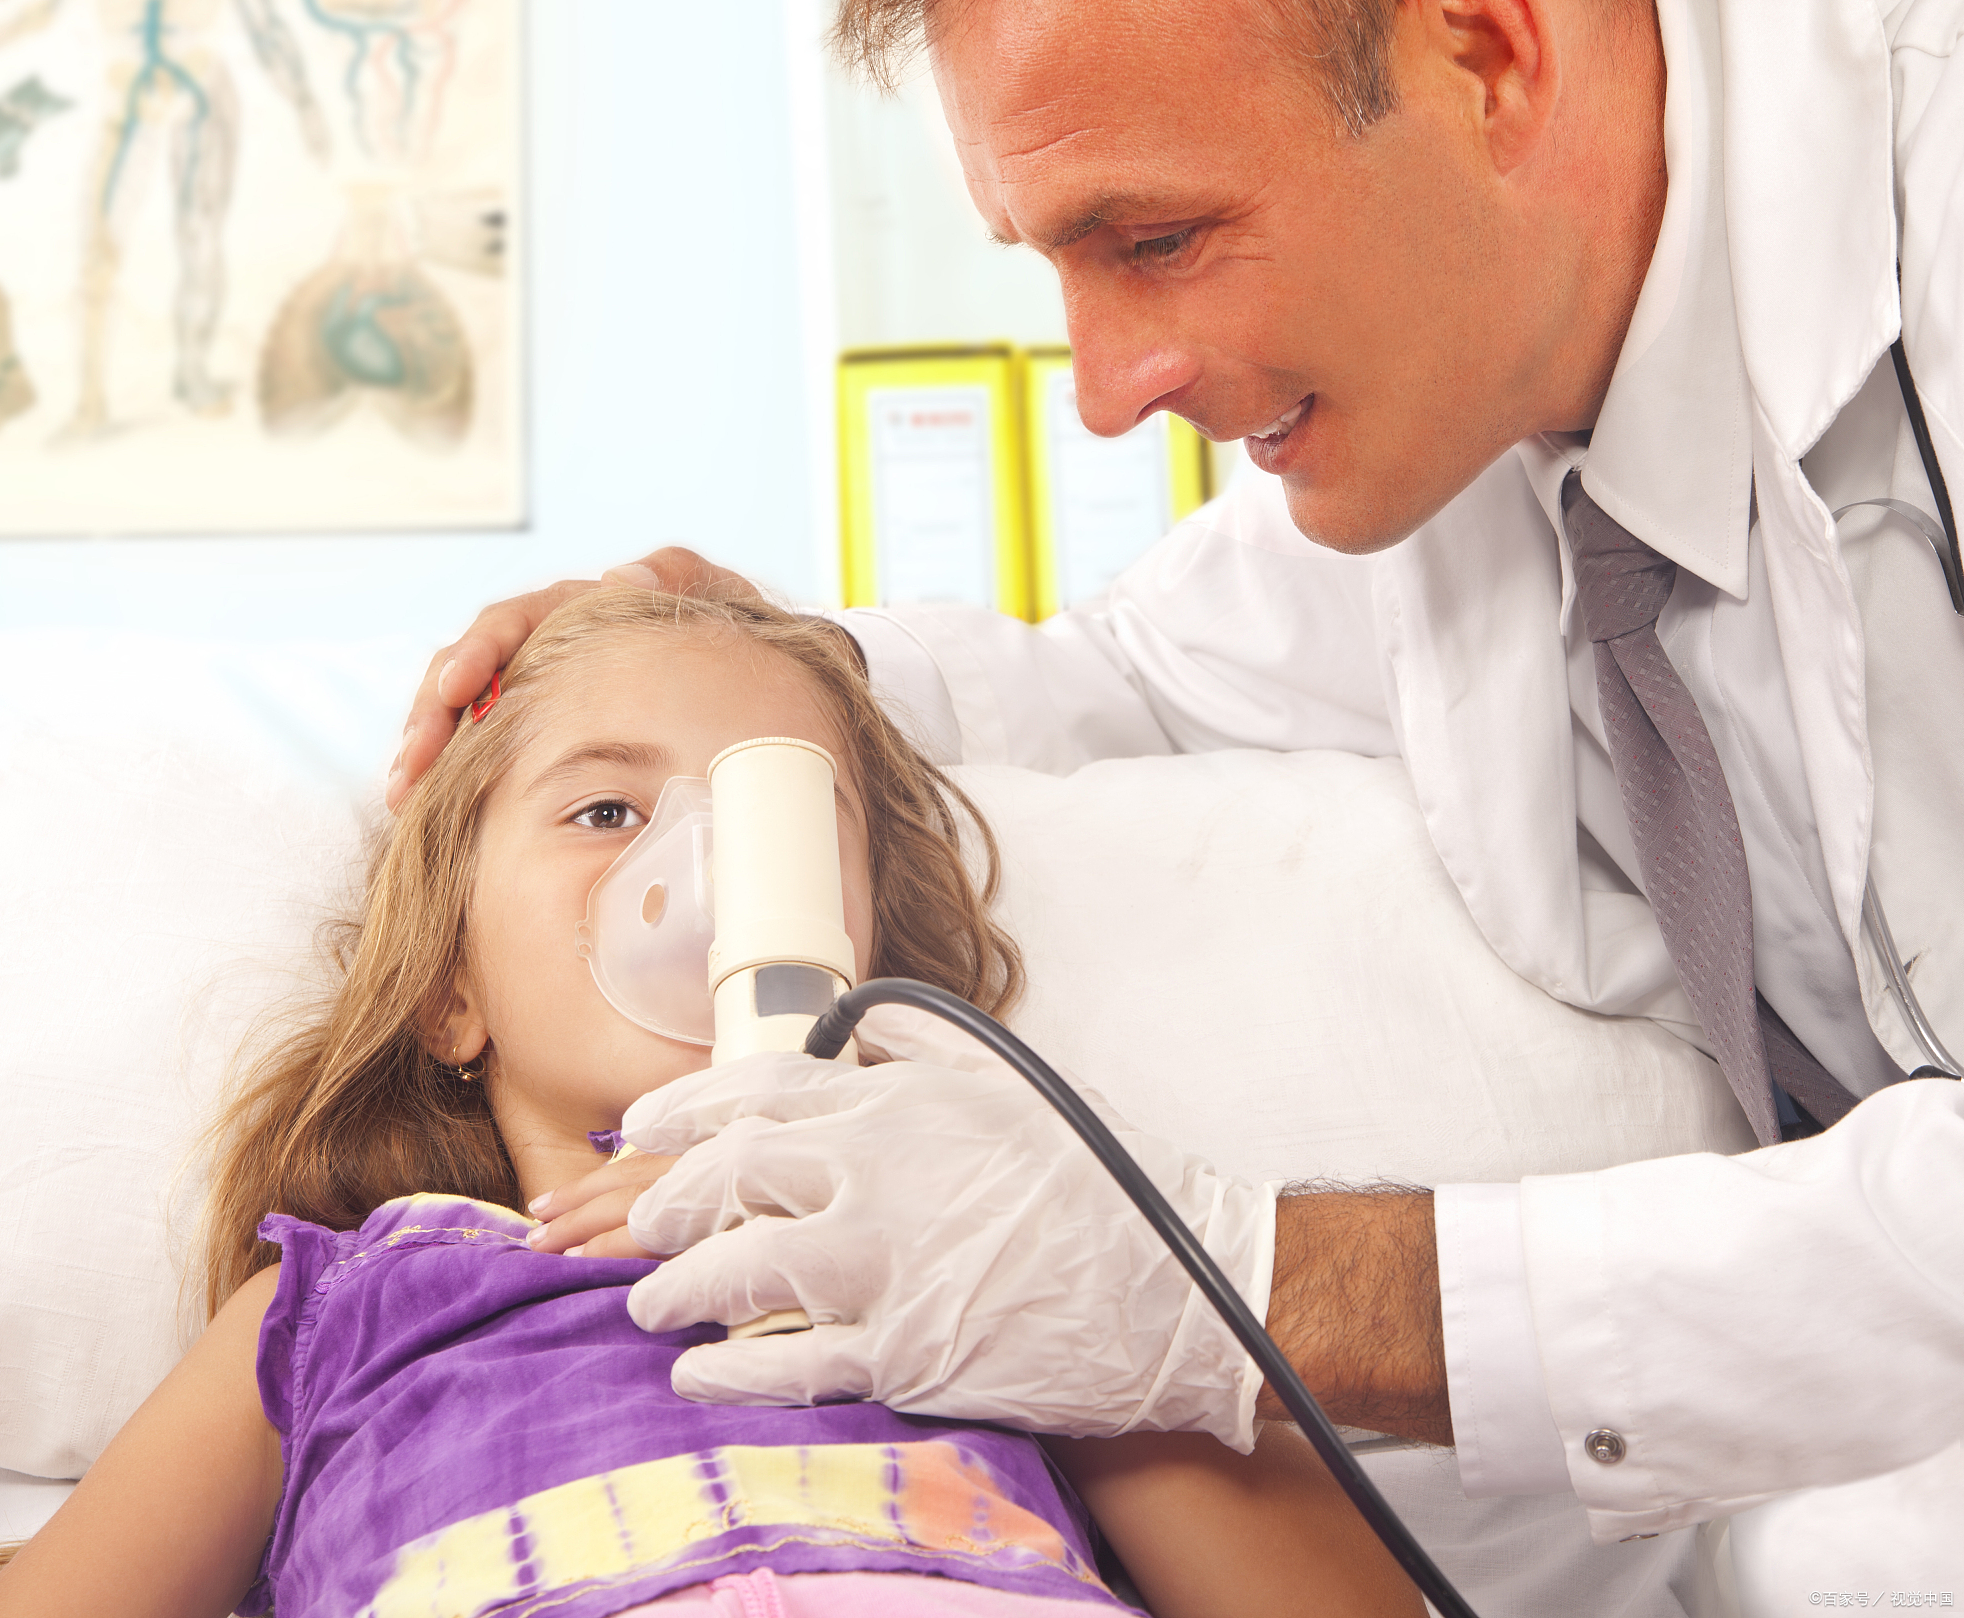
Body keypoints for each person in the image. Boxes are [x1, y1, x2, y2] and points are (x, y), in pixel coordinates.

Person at [386, 0, 1964, 1591]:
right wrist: (743, 669)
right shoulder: (1464, 390)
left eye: (1157, 240)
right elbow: (1132, 673)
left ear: (1489, 57)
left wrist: (1236, 1284)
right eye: (601, 814)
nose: (1103, 391)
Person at [0, 591, 1421, 1618]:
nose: (702, 869)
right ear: (451, 985)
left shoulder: (1003, 1274)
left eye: (780, 815)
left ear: (873, 970)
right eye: (606, 810)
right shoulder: (342, 1310)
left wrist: (1033, 1268)